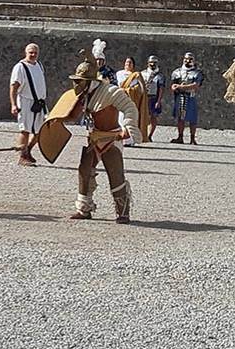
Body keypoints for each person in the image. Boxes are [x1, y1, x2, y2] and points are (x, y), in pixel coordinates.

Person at [38, 48, 141, 224]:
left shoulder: (111, 92)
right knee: (84, 170)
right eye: (76, 81)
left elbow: (130, 108)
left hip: (110, 138)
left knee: (114, 174)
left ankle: (122, 212)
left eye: (80, 81)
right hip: (93, 138)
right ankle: (83, 208)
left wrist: (128, 128)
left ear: (89, 81)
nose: (77, 84)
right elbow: (71, 115)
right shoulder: (83, 95)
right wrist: (54, 122)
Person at [10, 43, 47, 166]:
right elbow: (13, 87)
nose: (33, 55)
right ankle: (22, 156)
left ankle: (27, 151)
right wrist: (13, 104)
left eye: (35, 52)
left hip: (39, 103)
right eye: (31, 52)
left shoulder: (39, 65)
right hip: (25, 102)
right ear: (26, 52)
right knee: (25, 130)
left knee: (40, 131)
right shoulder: (20, 67)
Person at [170, 52, 204, 145]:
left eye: (190, 59)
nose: (187, 61)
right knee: (180, 118)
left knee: (192, 118)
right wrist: (174, 87)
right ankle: (180, 136)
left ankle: (192, 138)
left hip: (190, 97)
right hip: (180, 96)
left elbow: (196, 85)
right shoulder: (177, 71)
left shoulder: (197, 73)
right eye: (186, 59)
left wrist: (182, 87)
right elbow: (173, 83)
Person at [116, 56, 148, 144]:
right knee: (121, 119)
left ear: (133, 65)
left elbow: (141, 90)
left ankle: (130, 140)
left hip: (132, 101)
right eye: (127, 62)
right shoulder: (119, 74)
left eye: (130, 62)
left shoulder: (137, 75)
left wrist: (130, 90)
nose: (128, 64)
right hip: (120, 99)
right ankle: (121, 139)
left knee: (130, 120)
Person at [141, 55, 165, 141]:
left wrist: (158, 101)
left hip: (154, 98)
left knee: (153, 117)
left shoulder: (160, 76)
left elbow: (161, 89)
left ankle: (150, 135)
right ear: (148, 63)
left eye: (154, 63)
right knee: (143, 117)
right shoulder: (142, 73)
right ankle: (143, 134)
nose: (152, 64)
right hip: (144, 98)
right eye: (151, 62)